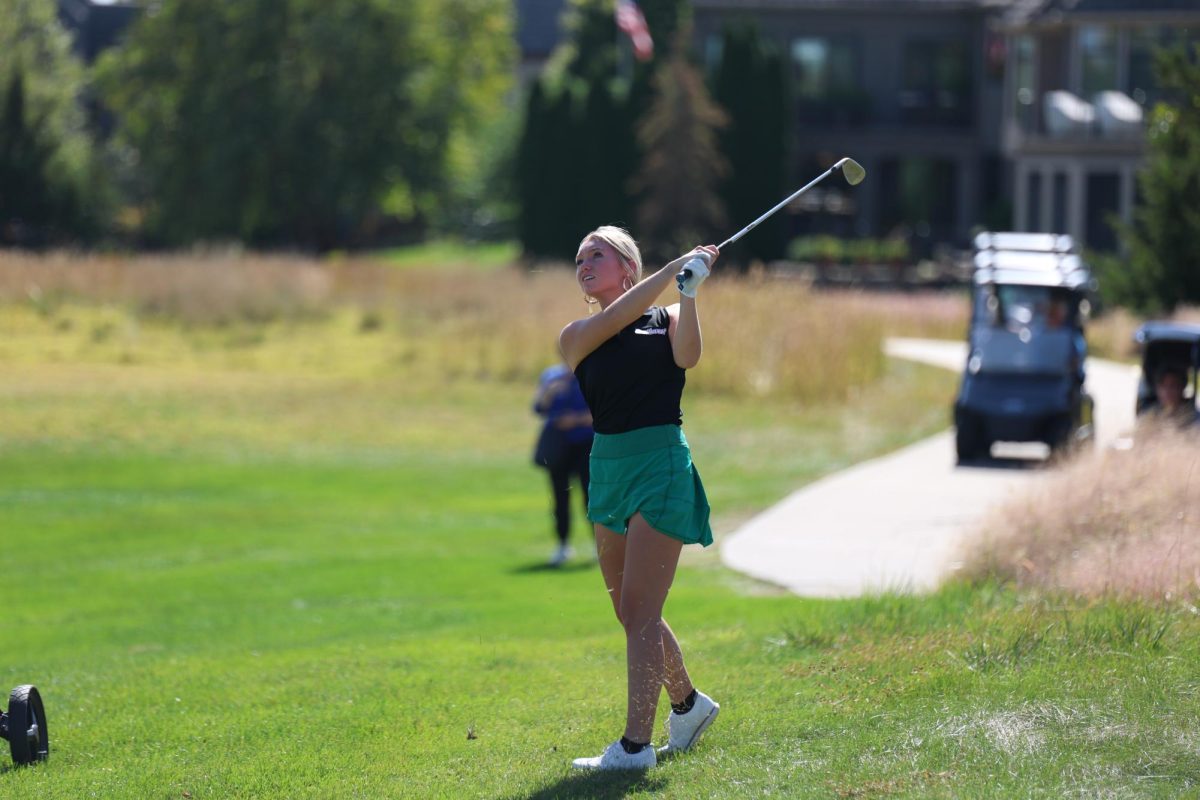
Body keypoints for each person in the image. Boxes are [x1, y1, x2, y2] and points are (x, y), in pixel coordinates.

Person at [560, 225, 720, 771]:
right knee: (631, 612)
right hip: (608, 468)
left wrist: (689, 294)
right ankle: (688, 706)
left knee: (640, 610)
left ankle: (634, 748)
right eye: (580, 258)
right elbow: (615, 320)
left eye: (596, 254)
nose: (584, 263)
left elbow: (689, 357)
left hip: (661, 465)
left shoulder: (668, 316)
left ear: (626, 265)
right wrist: (673, 266)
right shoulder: (578, 333)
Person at [532, 362, 594, 566]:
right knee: (559, 497)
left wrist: (575, 420)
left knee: (590, 496)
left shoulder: (591, 372)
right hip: (559, 447)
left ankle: (598, 545)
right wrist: (549, 391)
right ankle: (562, 545)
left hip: (587, 445)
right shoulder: (551, 375)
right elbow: (539, 408)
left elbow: (601, 410)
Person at [1149, 363, 1199, 429]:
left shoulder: (1194, 418)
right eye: (1163, 386)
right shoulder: (1151, 417)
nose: (1167, 391)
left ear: (1182, 387)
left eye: (1172, 385)